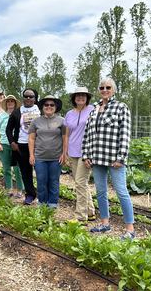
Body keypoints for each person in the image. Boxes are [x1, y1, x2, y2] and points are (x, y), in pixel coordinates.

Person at [82, 77, 135, 240]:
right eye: (102, 87)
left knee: (121, 192)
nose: (105, 90)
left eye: (108, 87)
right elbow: (87, 134)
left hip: (114, 159)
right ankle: (105, 223)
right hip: (97, 158)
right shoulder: (94, 109)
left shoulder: (121, 107)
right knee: (101, 191)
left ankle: (130, 229)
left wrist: (121, 157)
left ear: (114, 90)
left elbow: (125, 135)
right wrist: (86, 155)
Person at [63, 87, 96, 222]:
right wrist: (64, 152)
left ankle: (80, 216)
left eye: (83, 95)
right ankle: (90, 211)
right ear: (74, 98)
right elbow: (66, 135)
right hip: (72, 152)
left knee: (80, 182)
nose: (80, 97)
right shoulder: (69, 114)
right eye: (78, 95)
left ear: (87, 97)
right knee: (80, 182)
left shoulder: (93, 110)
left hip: (86, 152)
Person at [28, 95, 65, 208]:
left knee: (54, 181)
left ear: (56, 107)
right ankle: (42, 203)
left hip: (56, 158)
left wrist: (64, 153)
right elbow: (31, 138)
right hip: (40, 157)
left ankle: (53, 203)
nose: (49, 107)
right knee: (41, 181)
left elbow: (65, 138)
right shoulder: (36, 121)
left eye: (52, 105)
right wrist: (31, 155)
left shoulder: (62, 121)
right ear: (42, 107)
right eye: (46, 105)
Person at [6, 88, 40, 205]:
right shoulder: (17, 112)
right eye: (26, 96)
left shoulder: (40, 110)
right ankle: (30, 194)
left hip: (39, 145)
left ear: (35, 98)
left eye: (31, 96)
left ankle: (43, 195)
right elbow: (8, 129)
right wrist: (12, 142)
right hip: (22, 145)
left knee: (41, 171)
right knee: (26, 172)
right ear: (23, 98)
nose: (28, 98)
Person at [0, 95, 24, 197]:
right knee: (6, 168)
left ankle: (20, 189)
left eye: (12, 101)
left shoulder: (19, 115)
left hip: (16, 145)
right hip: (4, 144)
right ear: (6, 104)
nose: (10, 103)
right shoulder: (1, 116)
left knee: (17, 168)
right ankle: (9, 189)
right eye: (8, 101)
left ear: (15, 104)